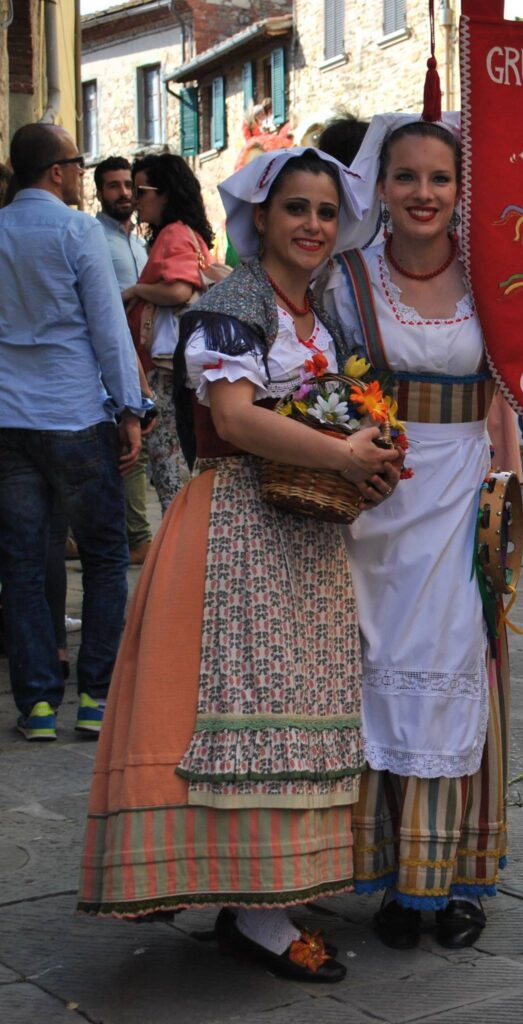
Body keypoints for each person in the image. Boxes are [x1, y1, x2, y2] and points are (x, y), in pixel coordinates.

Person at [77, 148, 401, 983]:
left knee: (297, 704)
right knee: (244, 709)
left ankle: (269, 890)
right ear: (261, 217)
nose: (313, 226)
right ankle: (256, 911)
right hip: (239, 529)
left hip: (305, 533)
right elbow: (238, 418)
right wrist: (341, 452)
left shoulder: (316, 316)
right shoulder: (234, 300)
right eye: (297, 208)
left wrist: (366, 454)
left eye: (326, 213)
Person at [323, 112, 515, 951]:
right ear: (381, 185)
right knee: (372, 666)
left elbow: (508, 391)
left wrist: (507, 500)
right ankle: (380, 874)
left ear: (459, 189)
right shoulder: (346, 280)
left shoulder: (494, 279)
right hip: (374, 499)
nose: (424, 194)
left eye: (440, 179)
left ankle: (443, 881)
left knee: (452, 663)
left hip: (463, 491)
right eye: (407, 177)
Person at [0, 123, 146, 741]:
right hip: (75, 413)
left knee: (23, 562)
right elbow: (109, 329)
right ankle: (95, 695)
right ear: (57, 171)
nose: (83, 175)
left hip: (9, 417)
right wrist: (132, 408)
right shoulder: (77, 230)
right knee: (106, 556)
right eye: (79, 164)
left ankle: (35, 704)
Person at [121, 153, 213, 513]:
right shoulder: (190, 234)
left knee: (170, 471)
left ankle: (179, 557)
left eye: (141, 190)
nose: (134, 199)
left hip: (164, 371)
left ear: (165, 193)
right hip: (183, 367)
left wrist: (136, 291)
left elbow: (177, 291)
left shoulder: (173, 234)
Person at [95, 155, 155, 564]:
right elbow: (98, 306)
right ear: (98, 192)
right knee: (126, 448)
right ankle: (137, 536)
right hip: (111, 359)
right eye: (114, 186)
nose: (124, 193)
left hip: (143, 355)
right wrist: (135, 292)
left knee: (134, 447)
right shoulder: (92, 237)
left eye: (128, 185)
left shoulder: (138, 243)